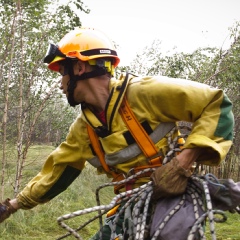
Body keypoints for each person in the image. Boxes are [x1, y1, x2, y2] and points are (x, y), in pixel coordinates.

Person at [0, 27, 234, 239]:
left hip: (175, 194)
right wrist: (11, 206)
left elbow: (215, 103)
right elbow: (56, 173)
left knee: (173, 233)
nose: (61, 83)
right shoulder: (83, 130)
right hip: (129, 205)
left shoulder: (144, 93)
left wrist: (182, 162)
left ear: (80, 67)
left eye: (62, 71)